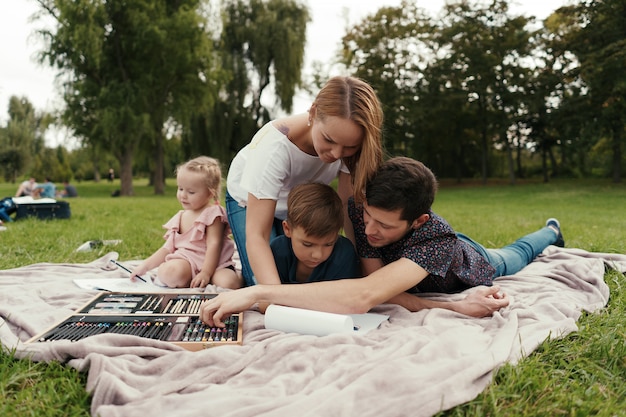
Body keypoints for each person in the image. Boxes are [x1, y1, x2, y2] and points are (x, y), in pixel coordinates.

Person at [200, 156, 565, 326]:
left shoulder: (434, 238)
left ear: (417, 221)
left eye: (385, 225)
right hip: (403, 273)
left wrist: (258, 292)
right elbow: (375, 286)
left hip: (467, 263)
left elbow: (364, 294)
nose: (369, 231)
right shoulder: (364, 212)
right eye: (367, 217)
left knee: (517, 254)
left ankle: (550, 231)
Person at [226, 75, 384, 287]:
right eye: (328, 140)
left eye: (349, 147)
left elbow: (348, 210)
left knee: (310, 262)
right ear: (313, 113)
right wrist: (273, 297)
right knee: (264, 280)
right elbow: (257, 235)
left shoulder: (346, 140)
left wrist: (361, 268)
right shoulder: (274, 148)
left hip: (300, 206)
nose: (337, 154)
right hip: (248, 200)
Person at [131, 156, 242, 289]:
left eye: (191, 192)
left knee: (229, 283)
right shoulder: (180, 217)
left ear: (210, 193)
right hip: (187, 262)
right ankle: (189, 278)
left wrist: (206, 273)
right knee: (171, 273)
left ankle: (236, 278)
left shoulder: (213, 213)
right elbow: (167, 248)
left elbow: (214, 244)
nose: (183, 195)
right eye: (180, 189)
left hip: (216, 265)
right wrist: (144, 266)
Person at [271, 182, 361, 283]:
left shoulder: (344, 256)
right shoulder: (276, 251)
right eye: (307, 244)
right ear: (287, 229)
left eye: (328, 244)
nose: (318, 255)